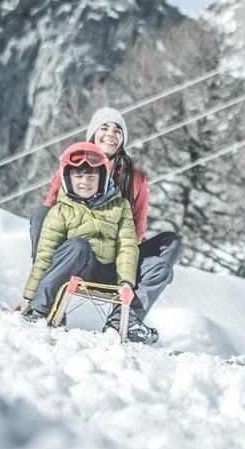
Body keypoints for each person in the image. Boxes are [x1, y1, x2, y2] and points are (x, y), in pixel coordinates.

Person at [30, 107, 181, 333]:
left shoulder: (135, 177)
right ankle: (46, 299)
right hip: (78, 256)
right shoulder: (72, 166)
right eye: (104, 127)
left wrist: (123, 262)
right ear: (93, 134)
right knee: (42, 216)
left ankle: (124, 319)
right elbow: (51, 214)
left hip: (117, 260)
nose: (111, 133)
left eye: (117, 130)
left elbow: (137, 230)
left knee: (170, 244)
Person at [12, 142, 156, 344]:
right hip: (80, 270)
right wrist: (30, 298)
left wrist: (125, 281)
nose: (85, 182)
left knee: (151, 262)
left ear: (102, 179)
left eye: (91, 177)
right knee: (77, 246)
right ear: (68, 179)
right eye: (78, 177)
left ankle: (124, 323)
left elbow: (127, 246)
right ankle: (40, 309)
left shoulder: (120, 206)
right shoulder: (60, 211)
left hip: (110, 273)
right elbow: (44, 256)